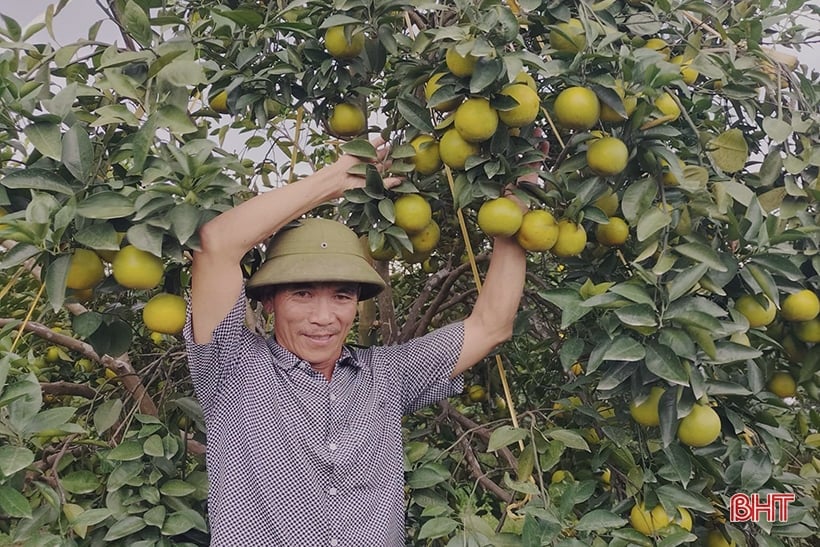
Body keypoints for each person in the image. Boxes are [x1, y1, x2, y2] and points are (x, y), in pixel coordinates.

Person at [185, 138, 528, 546]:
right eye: (303, 294)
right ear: (270, 301)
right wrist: (334, 180)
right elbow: (217, 244)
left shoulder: (385, 375)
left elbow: (491, 324)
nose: (324, 317)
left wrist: (515, 208)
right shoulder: (233, 369)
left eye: (342, 296)